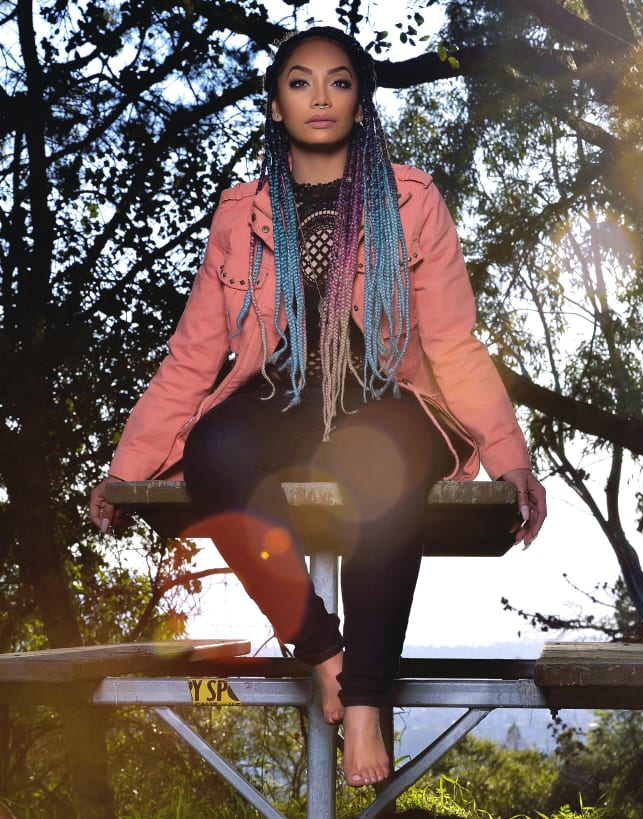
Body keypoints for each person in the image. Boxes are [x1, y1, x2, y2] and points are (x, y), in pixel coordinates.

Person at [88, 26, 546, 788]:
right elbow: (194, 353)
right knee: (213, 451)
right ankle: (324, 651)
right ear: (276, 105)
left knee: (372, 457)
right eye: (300, 82)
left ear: (361, 104)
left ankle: (365, 697)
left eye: (339, 81)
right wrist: (125, 467)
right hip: (286, 394)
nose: (320, 96)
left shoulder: (412, 200)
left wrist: (511, 457)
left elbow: (453, 342)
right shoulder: (241, 215)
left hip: (392, 398)